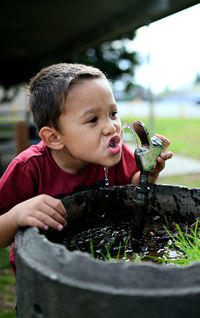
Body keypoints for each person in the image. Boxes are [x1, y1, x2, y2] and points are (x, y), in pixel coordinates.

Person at [0, 63, 173, 276]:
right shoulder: (29, 168)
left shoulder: (116, 156)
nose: (112, 127)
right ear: (54, 138)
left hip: (99, 269)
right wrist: (16, 215)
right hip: (44, 281)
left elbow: (132, 193)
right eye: (93, 119)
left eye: (113, 113)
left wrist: (149, 173)